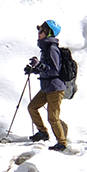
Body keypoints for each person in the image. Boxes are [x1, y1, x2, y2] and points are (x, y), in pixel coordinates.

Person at [25, 20, 69, 151]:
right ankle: (43, 133)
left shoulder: (52, 49)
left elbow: (54, 70)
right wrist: (33, 70)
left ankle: (62, 142)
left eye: (41, 31)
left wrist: (39, 65)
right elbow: (47, 69)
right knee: (32, 107)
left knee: (53, 117)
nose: (39, 33)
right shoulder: (46, 48)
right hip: (47, 87)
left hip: (55, 88)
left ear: (49, 33)